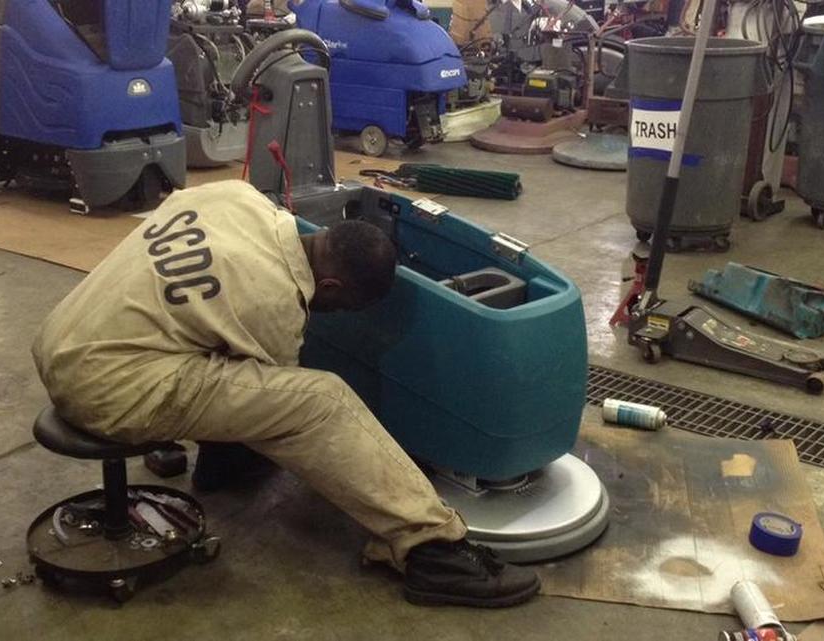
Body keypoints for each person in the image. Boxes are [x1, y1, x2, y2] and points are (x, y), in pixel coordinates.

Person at [31, 180, 540, 607]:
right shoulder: (274, 302)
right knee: (319, 402)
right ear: (334, 286)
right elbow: (282, 402)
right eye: (338, 308)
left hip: (64, 338)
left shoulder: (236, 196)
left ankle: (223, 462)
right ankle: (432, 549)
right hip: (105, 387)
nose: (330, 314)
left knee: (232, 362)